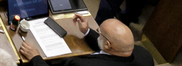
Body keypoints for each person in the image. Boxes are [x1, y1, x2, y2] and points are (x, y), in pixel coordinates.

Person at [19, 15, 153, 66]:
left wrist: (35, 57)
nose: (98, 33)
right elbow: (108, 48)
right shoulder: (144, 56)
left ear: (107, 44)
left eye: (100, 32)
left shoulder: (81, 64)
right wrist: (87, 31)